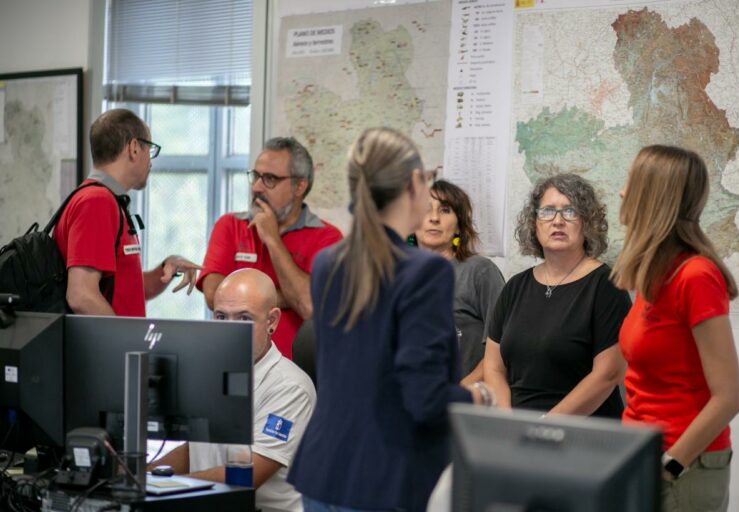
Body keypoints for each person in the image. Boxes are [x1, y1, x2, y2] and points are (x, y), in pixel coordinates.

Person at [287, 128, 489, 512]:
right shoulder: (425, 272)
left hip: (323, 473)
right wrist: (480, 397)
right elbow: (425, 399)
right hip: (385, 479)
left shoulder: (329, 262)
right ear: (413, 183)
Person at [612, 145, 739, 512]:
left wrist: (670, 466)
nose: (621, 192)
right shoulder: (655, 274)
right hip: (641, 456)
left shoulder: (696, 276)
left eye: (630, 182)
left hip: (683, 468)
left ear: (652, 196)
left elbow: (728, 398)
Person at [152, 268, 316, 512]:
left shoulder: (291, 388)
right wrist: (142, 477)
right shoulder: (209, 374)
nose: (230, 329)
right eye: (221, 317)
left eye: (244, 318)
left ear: (271, 321)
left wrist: (165, 487)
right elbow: (195, 451)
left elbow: (246, 476)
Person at [484, 173, 630, 417]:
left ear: (587, 222)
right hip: (518, 430)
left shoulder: (606, 286)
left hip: (581, 431)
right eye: (547, 211)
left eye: (570, 211)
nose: (558, 221)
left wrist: (545, 425)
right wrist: (508, 421)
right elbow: (493, 367)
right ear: (534, 223)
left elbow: (608, 374)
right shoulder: (515, 287)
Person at [197, 137, 343, 358]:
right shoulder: (229, 226)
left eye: (269, 179)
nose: (256, 187)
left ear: (299, 186)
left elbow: (308, 306)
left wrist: (273, 239)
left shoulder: (328, 238)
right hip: (231, 361)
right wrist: (285, 297)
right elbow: (214, 296)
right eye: (255, 176)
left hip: (298, 369)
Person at [54, 108, 201, 316]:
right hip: (108, 339)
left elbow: (130, 290)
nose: (150, 161)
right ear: (134, 148)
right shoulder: (97, 202)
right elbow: (81, 295)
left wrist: (167, 266)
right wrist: (122, 336)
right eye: (149, 149)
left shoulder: (109, 202)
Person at [413, 179, 504, 383]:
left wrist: (460, 391)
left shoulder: (480, 271)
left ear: (459, 227)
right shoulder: (398, 277)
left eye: (445, 210)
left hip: (466, 395)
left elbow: (503, 347)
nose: (434, 218)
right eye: (426, 209)